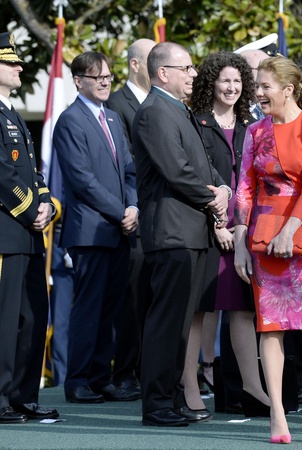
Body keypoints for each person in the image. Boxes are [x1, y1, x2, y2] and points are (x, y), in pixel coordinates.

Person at [233, 56, 302, 443]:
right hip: (263, 232)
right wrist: (240, 242)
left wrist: (289, 231)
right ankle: (277, 412)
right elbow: (244, 187)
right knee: (270, 326)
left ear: (288, 89)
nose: (258, 93)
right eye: (257, 86)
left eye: (265, 87)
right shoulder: (254, 131)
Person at [133, 42, 230, 427]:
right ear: (163, 73)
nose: (193, 74)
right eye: (186, 68)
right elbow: (176, 170)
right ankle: (157, 404)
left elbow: (202, 164)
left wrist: (223, 189)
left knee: (181, 322)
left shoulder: (177, 109)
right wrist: (213, 200)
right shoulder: (154, 112)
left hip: (191, 230)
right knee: (167, 321)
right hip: (172, 232)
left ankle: (172, 399)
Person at [53, 51, 138, 404]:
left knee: (111, 308)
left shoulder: (113, 118)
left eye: (107, 76)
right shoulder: (70, 120)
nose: (105, 82)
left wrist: (133, 206)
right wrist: (121, 211)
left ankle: (101, 377)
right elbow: (82, 180)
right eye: (96, 77)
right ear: (78, 81)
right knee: (89, 307)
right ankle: (78, 380)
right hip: (90, 232)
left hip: (118, 229)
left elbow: (130, 169)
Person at [190, 51, 270, 416]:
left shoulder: (250, 124)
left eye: (238, 81)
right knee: (200, 310)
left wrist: (241, 227)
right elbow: (197, 177)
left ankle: (252, 387)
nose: (232, 87)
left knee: (243, 310)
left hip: (244, 231)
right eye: (225, 80)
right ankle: (190, 385)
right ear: (211, 82)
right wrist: (217, 223)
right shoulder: (196, 122)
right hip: (207, 229)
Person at [0, 31, 58, 423]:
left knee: (32, 317)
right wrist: (30, 208)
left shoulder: (14, 114)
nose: (19, 67)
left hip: (29, 233)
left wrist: (46, 203)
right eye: (10, 62)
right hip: (7, 233)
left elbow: (32, 172)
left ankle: (22, 395)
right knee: (6, 320)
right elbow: (3, 175)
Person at [106, 37, 155, 400]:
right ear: (136, 64)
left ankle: (148, 369)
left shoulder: (160, 102)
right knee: (133, 298)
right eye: (152, 60)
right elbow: (125, 163)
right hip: (133, 214)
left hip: (160, 214)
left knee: (154, 296)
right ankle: (124, 372)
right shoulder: (116, 104)